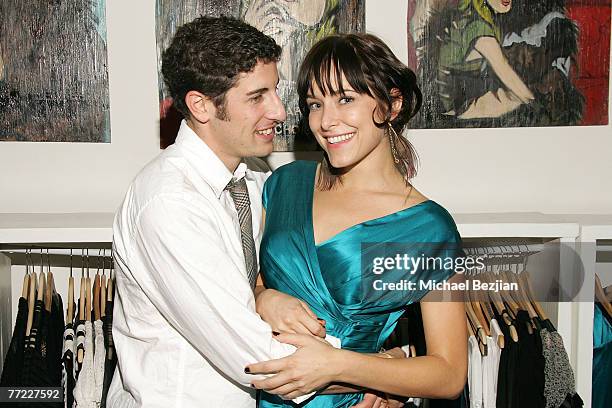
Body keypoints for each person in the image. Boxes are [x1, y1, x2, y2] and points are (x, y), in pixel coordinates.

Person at [109, 16, 335, 407]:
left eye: (275, 91)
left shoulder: (255, 175)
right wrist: (380, 373)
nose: (280, 112)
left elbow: (250, 277)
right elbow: (262, 360)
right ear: (201, 106)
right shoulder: (169, 203)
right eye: (256, 97)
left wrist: (263, 295)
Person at [249, 33, 468, 407]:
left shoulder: (429, 229)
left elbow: (449, 373)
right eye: (315, 104)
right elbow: (247, 287)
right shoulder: (283, 186)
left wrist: (341, 364)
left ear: (391, 104)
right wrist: (263, 298)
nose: (327, 121)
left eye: (345, 99)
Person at [435, 0, 535, 119]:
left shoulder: (478, 18)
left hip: (462, 99)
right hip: (457, 107)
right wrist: (534, 101)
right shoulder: (478, 26)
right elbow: (505, 72)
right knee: (517, 100)